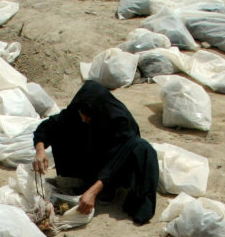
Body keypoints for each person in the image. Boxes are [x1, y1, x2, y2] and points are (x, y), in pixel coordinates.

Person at [32, 81, 160, 225]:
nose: (84, 119)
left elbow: (115, 163)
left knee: (143, 149)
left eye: (88, 116)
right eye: (82, 114)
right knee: (66, 129)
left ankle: (109, 188)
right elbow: (47, 127)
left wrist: (93, 191)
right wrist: (40, 150)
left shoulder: (120, 121)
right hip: (95, 157)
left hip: (118, 162)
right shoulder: (79, 110)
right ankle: (87, 179)